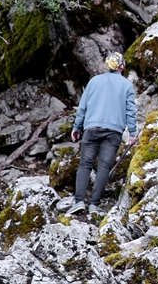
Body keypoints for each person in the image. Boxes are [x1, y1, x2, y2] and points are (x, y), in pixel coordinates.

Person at [58, 52, 138, 218]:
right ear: (122, 66)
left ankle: (79, 201)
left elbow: (83, 107)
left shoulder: (94, 81)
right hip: (113, 132)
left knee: (85, 164)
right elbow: (131, 111)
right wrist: (132, 133)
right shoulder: (126, 85)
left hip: (91, 128)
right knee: (104, 166)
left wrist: (77, 127)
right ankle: (94, 204)